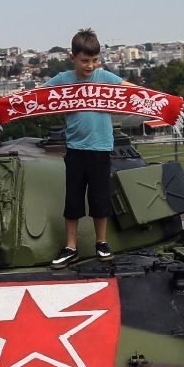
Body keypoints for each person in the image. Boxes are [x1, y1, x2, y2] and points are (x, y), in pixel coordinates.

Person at [45, 27, 124, 268]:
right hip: (76, 151)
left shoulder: (105, 78)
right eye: (85, 60)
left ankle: (101, 242)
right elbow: (38, 96)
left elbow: (130, 91)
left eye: (94, 60)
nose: (90, 65)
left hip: (100, 149)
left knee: (100, 199)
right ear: (73, 58)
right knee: (74, 200)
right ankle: (71, 247)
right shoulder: (62, 80)